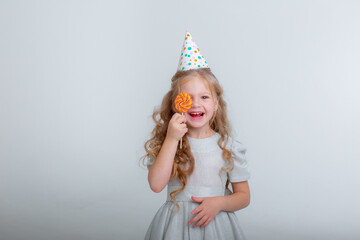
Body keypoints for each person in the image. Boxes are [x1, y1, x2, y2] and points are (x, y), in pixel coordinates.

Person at [142, 30, 251, 240]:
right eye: (188, 97)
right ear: (176, 103)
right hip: (174, 227)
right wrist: (172, 138)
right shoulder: (170, 143)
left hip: (216, 227)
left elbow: (244, 197)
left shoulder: (228, 145)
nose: (196, 104)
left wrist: (219, 202)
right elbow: (156, 184)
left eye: (204, 97)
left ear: (216, 104)